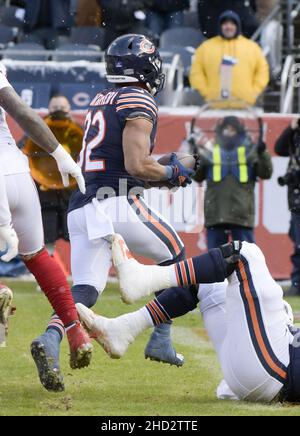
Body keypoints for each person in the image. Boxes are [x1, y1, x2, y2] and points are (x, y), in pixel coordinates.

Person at [34, 33, 197, 391]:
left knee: (86, 290)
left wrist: (164, 174)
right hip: (116, 201)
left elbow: (122, 164)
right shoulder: (138, 98)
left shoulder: (101, 98)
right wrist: (172, 172)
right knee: (180, 261)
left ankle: (50, 337)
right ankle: (161, 336)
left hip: (82, 206)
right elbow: (136, 165)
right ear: (145, 65)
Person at [77, 233, 300, 404]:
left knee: (245, 255)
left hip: (274, 372)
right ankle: (124, 329)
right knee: (208, 280)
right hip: (264, 368)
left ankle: (145, 278)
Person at [0, 62, 92, 391]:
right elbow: (22, 111)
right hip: (17, 171)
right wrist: (59, 153)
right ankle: (74, 331)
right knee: (38, 256)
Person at [190, 116, 273, 249]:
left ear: (239, 131)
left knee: (247, 259)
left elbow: (266, 173)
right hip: (216, 215)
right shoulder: (210, 150)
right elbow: (197, 176)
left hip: (241, 217)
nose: (229, 132)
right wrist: (195, 157)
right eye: (226, 129)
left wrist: (263, 153)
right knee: (216, 263)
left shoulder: (250, 150)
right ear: (220, 130)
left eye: (232, 129)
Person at [21, 94, 84, 245]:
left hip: (72, 196)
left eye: (62, 107)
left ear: (69, 109)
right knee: (46, 240)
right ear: (48, 109)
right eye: (55, 107)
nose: (59, 110)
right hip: (45, 197)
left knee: (78, 239)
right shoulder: (36, 131)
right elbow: (22, 151)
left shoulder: (80, 131)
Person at [189, 10, 270, 108]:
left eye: (232, 23)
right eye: (225, 24)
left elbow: (263, 71)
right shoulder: (205, 48)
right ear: (220, 26)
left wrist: (253, 93)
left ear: (238, 26)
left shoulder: (252, 48)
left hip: (245, 107)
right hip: (214, 106)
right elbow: (196, 72)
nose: (229, 27)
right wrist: (206, 93)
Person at [275, 119, 300, 297]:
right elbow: (279, 148)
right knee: (298, 243)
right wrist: (290, 129)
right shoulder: (296, 134)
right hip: (296, 199)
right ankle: (297, 283)